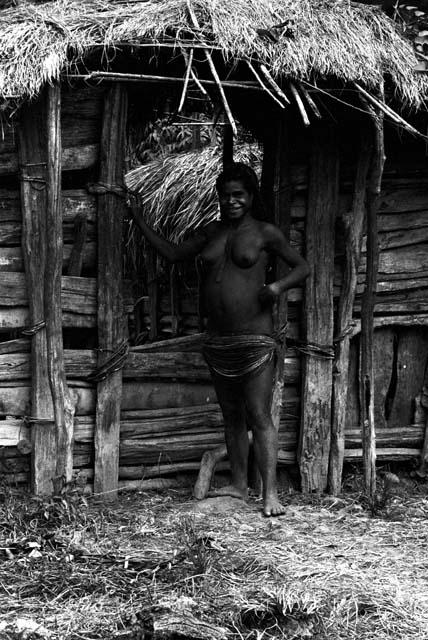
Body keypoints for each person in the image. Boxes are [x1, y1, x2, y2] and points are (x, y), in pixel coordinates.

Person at [129, 162, 309, 516]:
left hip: (255, 338)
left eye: (238, 195)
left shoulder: (264, 233)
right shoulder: (211, 233)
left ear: (250, 196)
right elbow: (173, 253)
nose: (231, 202)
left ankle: (271, 494)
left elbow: (303, 267)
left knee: (258, 413)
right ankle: (239, 486)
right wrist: (137, 218)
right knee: (231, 415)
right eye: (225, 196)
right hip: (218, 341)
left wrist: (276, 286)